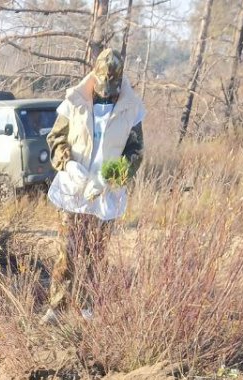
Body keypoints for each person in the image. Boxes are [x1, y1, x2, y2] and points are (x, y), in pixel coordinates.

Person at [41, 48, 145, 323]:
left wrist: (112, 177)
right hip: (73, 188)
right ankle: (57, 308)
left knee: (95, 254)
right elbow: (55, 138)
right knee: (67, 251)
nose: (107, 92)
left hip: (104, 192)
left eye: (112, 88)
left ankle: (87, 309)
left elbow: (135, 152)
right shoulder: (74, 101)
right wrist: (68, 164)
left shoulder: (131, 108)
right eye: (103, 87)